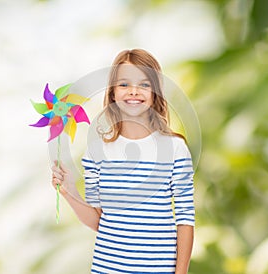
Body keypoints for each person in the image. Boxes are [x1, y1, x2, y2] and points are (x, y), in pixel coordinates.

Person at [52, 48, 195, 274]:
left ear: (156, 92)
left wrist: (181, 272)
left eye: (144, 84)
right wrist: (68, 191)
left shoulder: (176, 148)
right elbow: (98, 221)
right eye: (124, 84)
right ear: (112, 93)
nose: (134, 92)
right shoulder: (97, 150)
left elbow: (186, 219)